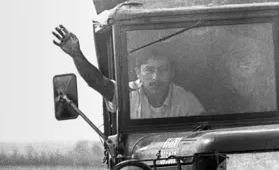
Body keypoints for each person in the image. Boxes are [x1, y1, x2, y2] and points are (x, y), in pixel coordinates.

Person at [52, 25, 204, 118]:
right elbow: (97, 82)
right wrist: (77, 54)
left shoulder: (187, 101)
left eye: (163, 70)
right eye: (149, 70)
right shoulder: (127, 94)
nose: (156, 77)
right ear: (138, 73)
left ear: (172, 73)